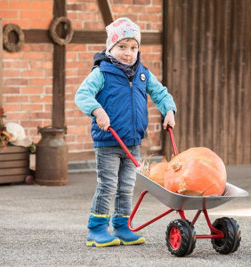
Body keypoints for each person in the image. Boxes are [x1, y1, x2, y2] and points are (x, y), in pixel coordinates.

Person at [75, 17, 176, 247]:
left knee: (126, 186)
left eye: (133, 47)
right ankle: (97, 229)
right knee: (108, 185)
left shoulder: (142, 74)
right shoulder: (102, 72)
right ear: (110, 47)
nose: (128, 53)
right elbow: (82, 95)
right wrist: (97, 111)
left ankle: (122, 226)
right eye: (122, 47)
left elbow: (160, 93)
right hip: (109, 141)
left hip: (132, 143)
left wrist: (169, 109)